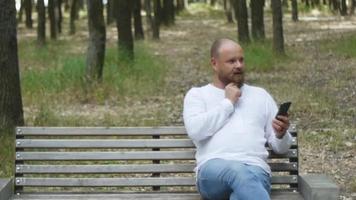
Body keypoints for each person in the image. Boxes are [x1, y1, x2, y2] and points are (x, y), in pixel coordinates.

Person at [183, 38, 293, 200]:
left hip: (256, 170)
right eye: (231, 61)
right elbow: (196, 131)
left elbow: (281, 148)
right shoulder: (198, 95)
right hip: (212, 172)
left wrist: (281, 134)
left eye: (241, 60)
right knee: (238, 171)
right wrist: (228, 103)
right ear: (214, 63)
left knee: (244, 186)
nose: (239, 65)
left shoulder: (260, 95)